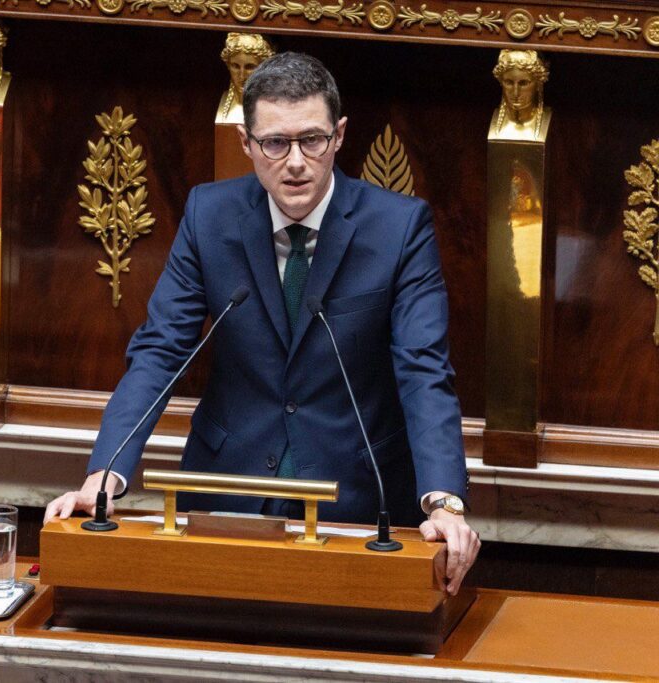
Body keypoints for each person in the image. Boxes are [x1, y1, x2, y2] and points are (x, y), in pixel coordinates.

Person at [45, 52, 479, 594]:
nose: (295, 162)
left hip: (358, 498)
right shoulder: (209, 216)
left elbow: (423, 368)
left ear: (339, 135)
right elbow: (161, 350)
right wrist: (104, 474)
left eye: (312, 140)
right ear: (247, 143)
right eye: (275, 143)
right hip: (226, 488)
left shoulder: (399, 227)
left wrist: (443, 500)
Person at [216, 33, 276, 124]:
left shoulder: (275, 106)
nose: (242, 76)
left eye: (250, 67)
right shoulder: (224, 104)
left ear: (264, 67)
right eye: (235, 66)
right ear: (228, 65)